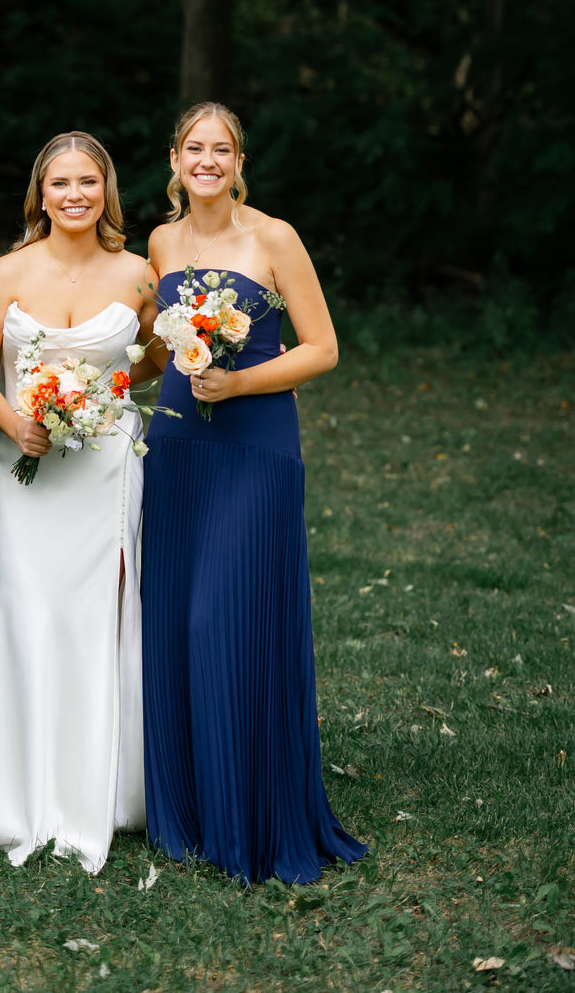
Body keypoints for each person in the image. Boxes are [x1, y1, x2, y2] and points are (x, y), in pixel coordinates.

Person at [140, 100, 367, 884]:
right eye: (194, 148)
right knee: (173, 623)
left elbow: (323, 348)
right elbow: (152, 346)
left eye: (222, 149)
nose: (207, 160)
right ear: (174, 159)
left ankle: (253, 812)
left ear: (240, 162)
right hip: (175, 444)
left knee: (219, 617)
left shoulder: (273, 238)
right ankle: (190, 811)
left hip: (254, 446)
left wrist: (237, 384)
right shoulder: (162, 241)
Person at [0, 131, 158, 874]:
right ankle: (13, 797)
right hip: (20, 470)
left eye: (87, 183)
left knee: (96, 620)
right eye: (60, 183)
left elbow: (153, 358)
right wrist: (17, 424)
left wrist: (103, 405)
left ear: (107, 191)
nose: (74, 196)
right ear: (40, 193)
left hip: (102, 473)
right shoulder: (7, 272)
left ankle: (101, 794)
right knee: (25, 612)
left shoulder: (139, 273)